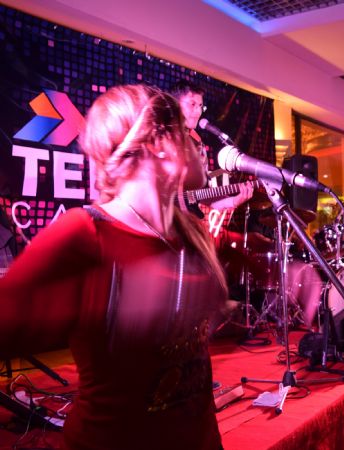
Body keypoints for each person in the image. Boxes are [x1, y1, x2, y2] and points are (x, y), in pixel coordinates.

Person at [0, 85, 229, 450]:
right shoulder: (86, 233)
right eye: (187, 135)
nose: (202, 148)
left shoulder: (193, 235)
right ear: (158, 142)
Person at [170, 81, 253, 214]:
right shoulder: (159, 136)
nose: (198, 111)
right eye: (192, 104)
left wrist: (234, 201)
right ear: (174, 103)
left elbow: (202, 197)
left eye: (200, 106)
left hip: (182, 224)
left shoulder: (199, 146)